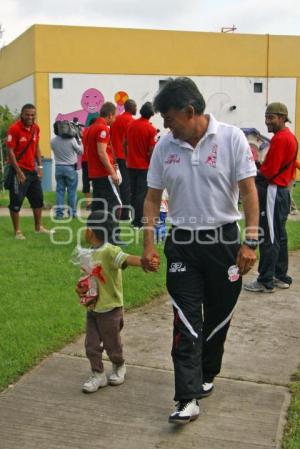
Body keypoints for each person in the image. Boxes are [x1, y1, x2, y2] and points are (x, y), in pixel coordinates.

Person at [142, 77, 259, 425]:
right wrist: (149, 243)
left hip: (223, 242)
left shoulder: (231, 138)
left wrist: (250, 241)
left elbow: (249, 192)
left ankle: (208, 370)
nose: (164, 124)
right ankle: (186, 396)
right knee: (186, 318)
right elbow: (151, 198)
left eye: (168, 117)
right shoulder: (165, 147)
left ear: (190, 112)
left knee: (218, 316)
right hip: (183, 244)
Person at [75, 210, 158, 393]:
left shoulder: (110, 251)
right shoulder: (88, 254)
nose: (85, 231)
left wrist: (145, 262)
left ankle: (119, 365)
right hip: (93, 308)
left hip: (110, 309)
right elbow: (86, 279)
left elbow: (127, 259)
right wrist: (81, 289)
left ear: (93, 231)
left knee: (112, 345)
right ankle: (98, 374)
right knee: (91, 345)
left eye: (87, 227)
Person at [244, 102, 298, 293]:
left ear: (282, 118)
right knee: (280, 235)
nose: (267, 121)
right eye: (267, 117)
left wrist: (254, 171)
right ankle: (280, 275)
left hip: (274, 191)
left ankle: (265, 280)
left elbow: (270, 170)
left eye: (271, 117)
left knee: (269, 236)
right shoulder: (290, 137)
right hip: (283, 191)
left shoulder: (280, 139)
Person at [5, 103, 51, 239]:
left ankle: (38, 227)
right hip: (18, 171)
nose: (30, 117)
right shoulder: (14, 129)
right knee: (16, 201)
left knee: (38, 199)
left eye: (32, 115)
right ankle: (17, 231)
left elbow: (36, 148)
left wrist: (40, 167)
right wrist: (19, 172)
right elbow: (10, 153)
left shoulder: (36, 128)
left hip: (32, 171)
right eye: (27, 115)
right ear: (22, 115)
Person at [126, 102, 157, 229]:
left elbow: (124, 143)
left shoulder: (131, 125)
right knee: (141, 194)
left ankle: (134, 218)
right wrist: (152, 163)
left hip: (130, 164)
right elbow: (152, 150)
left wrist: (128, 157)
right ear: (152, 114)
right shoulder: (151, 129)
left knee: (133, 193)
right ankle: (138, 222)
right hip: (143, 166)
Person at [86, 102, 121, 217]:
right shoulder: (103, 129)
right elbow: (101, 152)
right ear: (110, 115)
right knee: (115, 205)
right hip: (104, 173)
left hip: (94, 173)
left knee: (98, 207)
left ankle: (94, 233)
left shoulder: (90, 128)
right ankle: (112, 232)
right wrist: (112, 172)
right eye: (115, 116)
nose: (115, 119)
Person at [111, 99, 137, 220]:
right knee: (127, 186)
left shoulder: (115, 120)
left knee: (118, 186)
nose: (137, 108)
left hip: (115, 156)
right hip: (126, 157)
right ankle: (125, 214)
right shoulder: (132, 121)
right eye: (135, 106)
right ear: (131, 108)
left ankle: (118, 212)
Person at [51, 125, 83, 219]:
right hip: (70, 167)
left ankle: (59, 214)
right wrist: (80, 141)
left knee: (60, 192)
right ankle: (72, 213)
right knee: (72, 192)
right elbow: (80, 151)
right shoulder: (72, 140)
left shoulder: (53, 141)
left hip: (58, 167)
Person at [81, 118, 97, 210]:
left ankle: (88, 203)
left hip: (84, 160)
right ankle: (96, 202)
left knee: (86, 181)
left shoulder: (84, 132)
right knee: (96, 181)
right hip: (93, 160)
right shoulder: (95, 131)